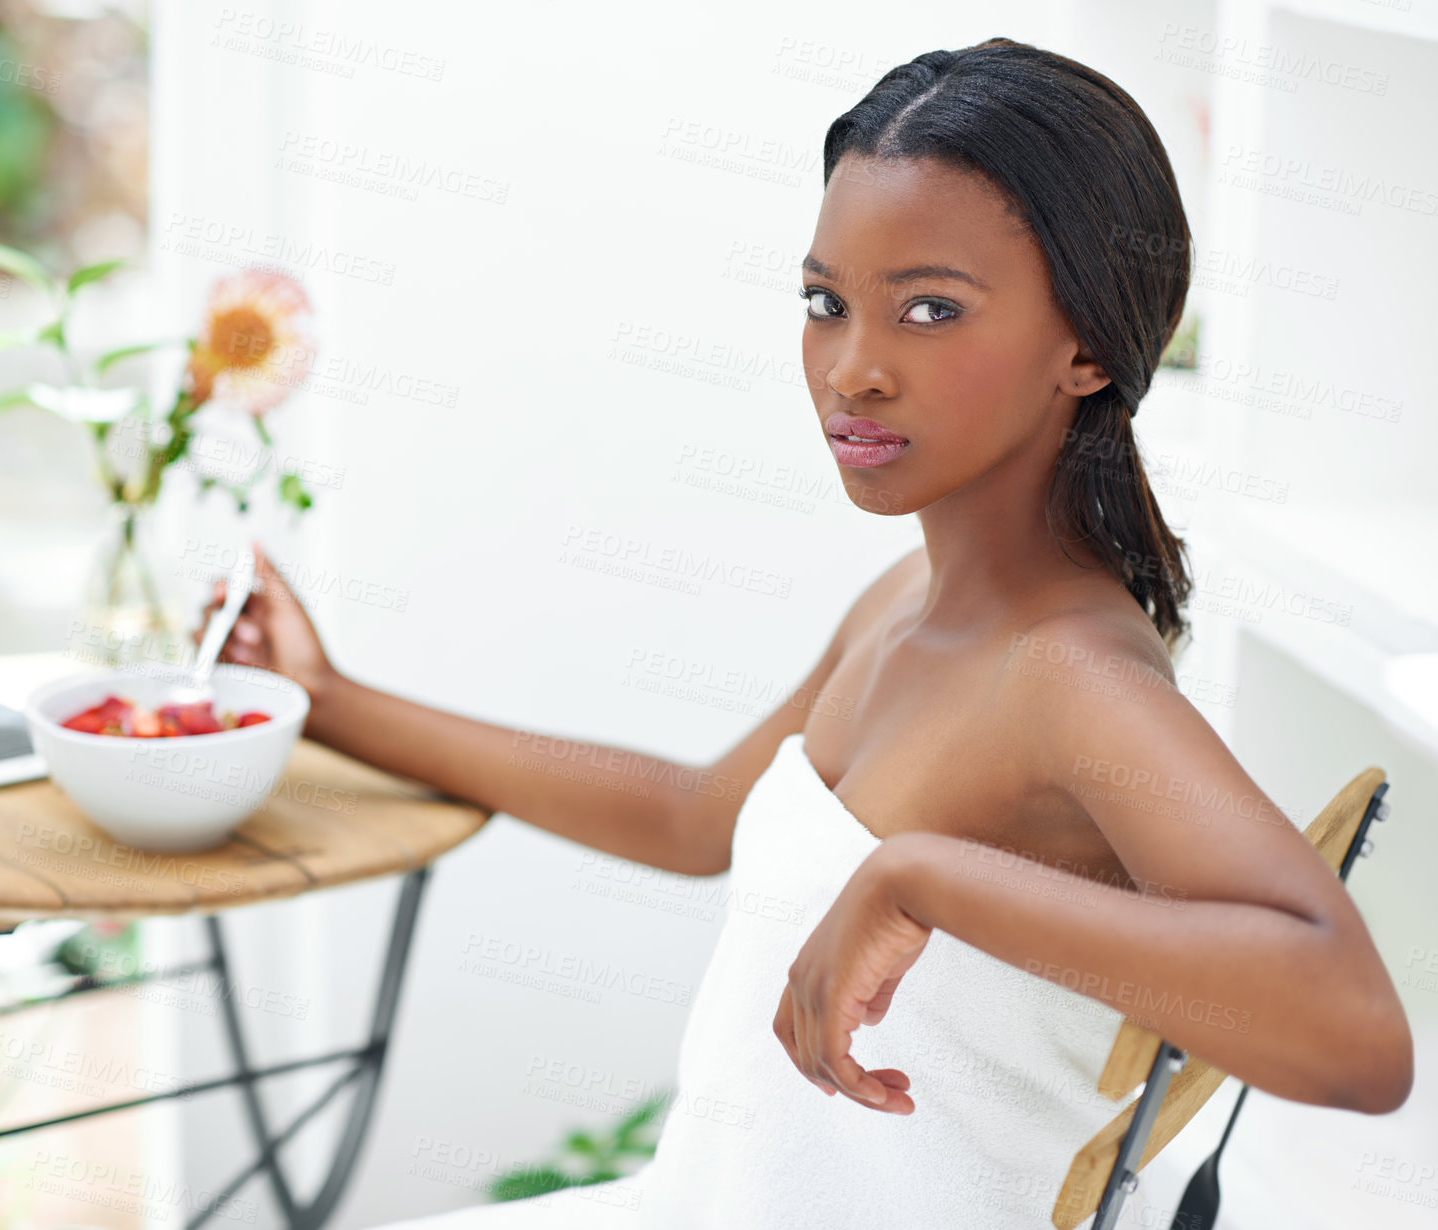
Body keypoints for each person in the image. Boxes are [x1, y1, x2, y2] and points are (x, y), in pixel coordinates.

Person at [194, 36, 1414, 1228]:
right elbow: (691, 816)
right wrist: (331, 698)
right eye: (825, 303)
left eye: (929, 311)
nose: (851, 370)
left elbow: (1355, 1039)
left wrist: (925, 878)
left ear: (1085, 345)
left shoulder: (1068, 675)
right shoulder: (905, 601)